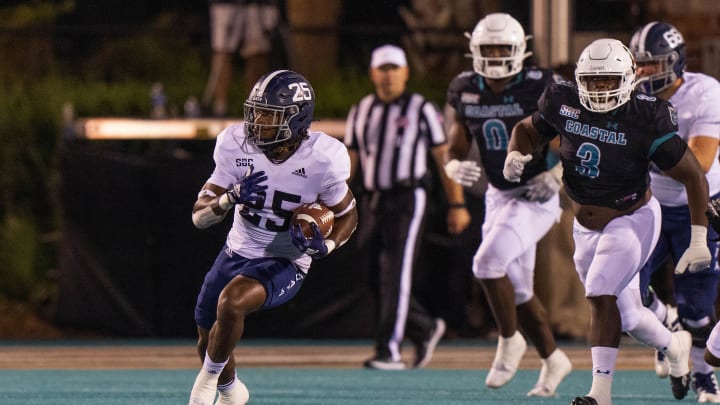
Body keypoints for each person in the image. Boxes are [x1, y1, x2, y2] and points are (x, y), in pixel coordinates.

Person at [507, 37, 708, 405]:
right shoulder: (563, 101)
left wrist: (698, 237)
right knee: (628, 316)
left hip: (633, 217)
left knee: (600, 294)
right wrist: (515, 154)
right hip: (584, 224)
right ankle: (674, 345)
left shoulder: (647, 116)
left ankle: (600, 394)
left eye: (608, 81)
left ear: (629, 78)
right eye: (593, 81)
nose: (599, 89)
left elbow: (694, 176)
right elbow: (527, 130)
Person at [187, 69, 358, 404]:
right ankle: (230, 391)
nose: (257, 121)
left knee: (231, 302)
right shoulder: (235, 145)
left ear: (296, 120)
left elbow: (348, 214)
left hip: (287, 257)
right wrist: (228, 198)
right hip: (237, 249)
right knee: (207, 337)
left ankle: (204, 386)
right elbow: (199, 216)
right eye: (256, 111)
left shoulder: (324, 158)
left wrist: (329, 243)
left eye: (269, 114)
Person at [443, 12, 572, 396]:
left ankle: (509, 339)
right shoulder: (466, 87)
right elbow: (459, 137)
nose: (496, 55)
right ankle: (553, 358)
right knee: (517, 290)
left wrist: (559, 174)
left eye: (503, 48)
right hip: (499, 194)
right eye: (489, 48)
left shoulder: (542, 84)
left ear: (520, 50)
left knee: (486, 263)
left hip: (535, 193)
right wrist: (452, 163)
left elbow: (574, 132)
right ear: (474, 50)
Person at [344, 44, 471, 370]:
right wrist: (336, 201)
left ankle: (389, 350)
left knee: (396, 273)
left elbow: (443, 158)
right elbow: (351, 161)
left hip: (408, 198)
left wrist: (456, 203)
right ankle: (424, 327)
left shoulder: (421, 109)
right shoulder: (361, 110)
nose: (387, 76)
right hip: (373, 199)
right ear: (373, 73)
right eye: (382, 69)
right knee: (372, 275)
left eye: (393, 69)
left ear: (405, 73)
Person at [629, 21, 720, 403]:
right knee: (626, 289)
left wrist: (636, 153)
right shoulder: (625, 95)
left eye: (651, 64)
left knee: (698, 309)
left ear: (675, 61)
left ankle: (702, 375)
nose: (643, 71)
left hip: (699, 206)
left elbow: (697, 163)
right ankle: (666, 325)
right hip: (649, 204)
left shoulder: (705, 93)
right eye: (639, 64)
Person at [202, 0, 282, 117]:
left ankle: (257, 106)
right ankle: (220, 107)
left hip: (259, 5)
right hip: (227, 5)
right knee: (222, 51)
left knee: (257, 53)